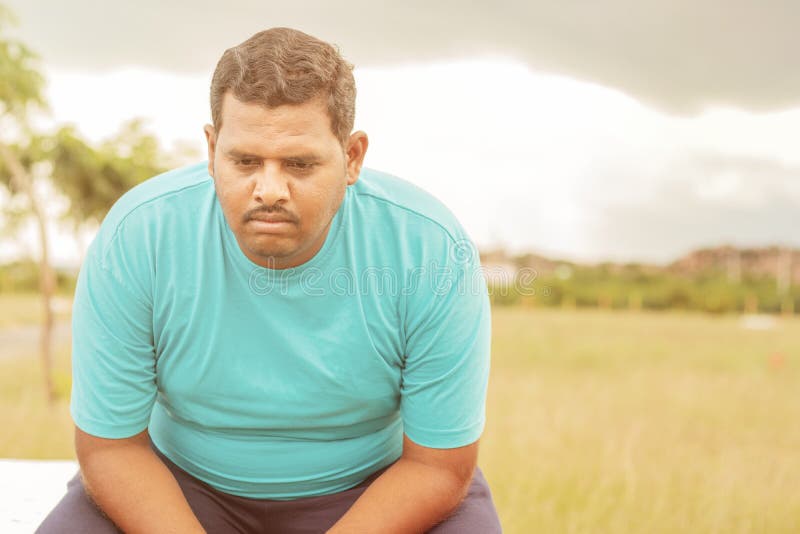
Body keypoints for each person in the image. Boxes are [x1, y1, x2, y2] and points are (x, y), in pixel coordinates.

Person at [37, 27, 501, 533]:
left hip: (377, 494)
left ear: (352, 158)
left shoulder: (430, 250)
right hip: (176, 491)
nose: (270, 189)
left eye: (299, 164)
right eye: (245, 161)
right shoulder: (138, 236)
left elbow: (438, 465)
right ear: (212, 150)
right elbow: (111, 447)